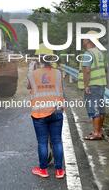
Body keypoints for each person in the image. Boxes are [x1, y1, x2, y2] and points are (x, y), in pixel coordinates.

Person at [27, 45, 65, 179]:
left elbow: (28, 86)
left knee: (42, 142)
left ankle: (43, 169)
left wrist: (31, 68)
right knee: (57, 141)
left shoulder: (33, 74)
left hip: (39, 113)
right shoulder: (58, 73)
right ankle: (59, 170)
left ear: (39, 58)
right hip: (56, 111)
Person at [78, 31, 107, 140]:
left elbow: (87, 71)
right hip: (101, 85)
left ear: (89, 40)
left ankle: (96, 133)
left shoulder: (88, 53)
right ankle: (99, 131)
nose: (83, 40)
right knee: (100, 109)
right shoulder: (99, 53)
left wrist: (86, 85)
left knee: (94, 109)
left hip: (92, 85)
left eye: (84, 38)